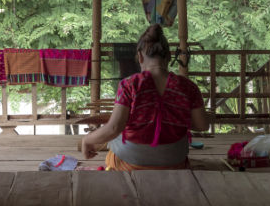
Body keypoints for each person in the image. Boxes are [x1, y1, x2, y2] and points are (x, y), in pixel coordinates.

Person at [81, 24, 209, 170]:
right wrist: (175, 119)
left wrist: (87, 140)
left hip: (133, 163)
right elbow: (202, 125)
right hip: (174, 161)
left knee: (114, 144)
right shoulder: (188, 87)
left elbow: (114, 128)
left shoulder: (129, 85)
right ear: (168, 56)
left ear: (140, 57)